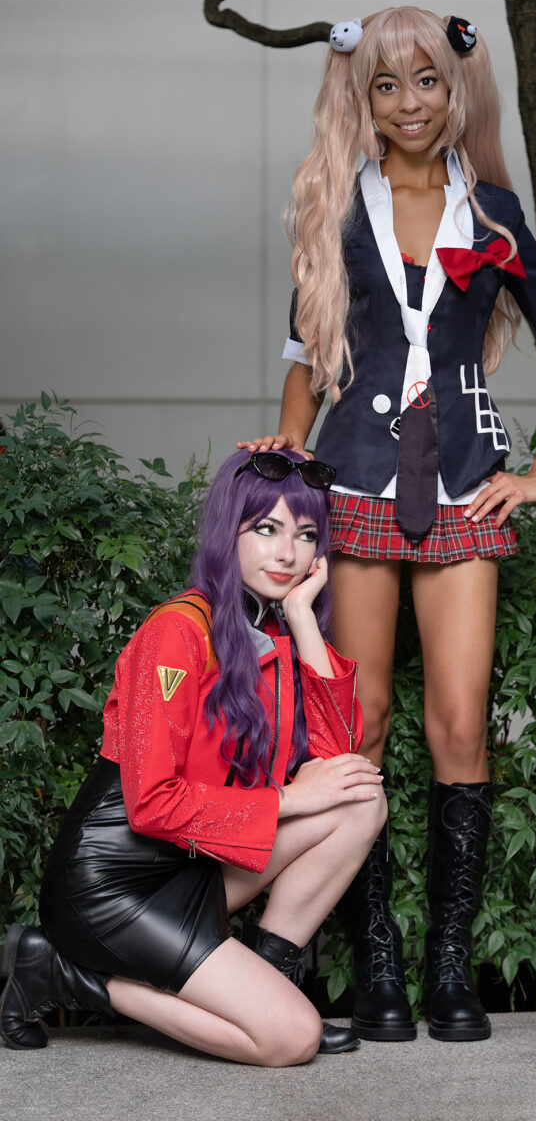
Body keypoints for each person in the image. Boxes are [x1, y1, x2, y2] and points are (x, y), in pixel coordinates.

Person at [240, 6, 536, 1043]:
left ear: (456, 90)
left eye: (428, 82)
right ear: (364, 95)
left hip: (463, 485)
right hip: (352, 485)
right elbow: (306, 363)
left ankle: (449, 968)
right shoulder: (334, 204)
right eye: (388, 84)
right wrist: (284, 473)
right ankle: (377, 966)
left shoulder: (493, 212)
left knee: (460, 727)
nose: (409, 104)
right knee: (359, 726)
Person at [0, 449, 387, 1064]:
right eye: (267, 529)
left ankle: (268, 982)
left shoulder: (277, 630)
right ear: (227, 531)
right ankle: (64, 973)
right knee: (292, 1040)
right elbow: (151, 805)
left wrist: (302, 618)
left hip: (194, 866)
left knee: (360, 799)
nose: (288, 553)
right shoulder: (178, 632)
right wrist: (290, 798)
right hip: (114, 887)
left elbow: (338, 760)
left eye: (306, 534)